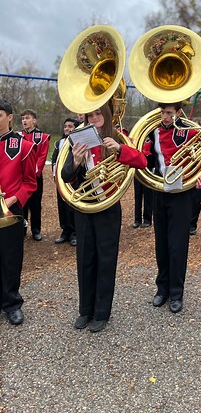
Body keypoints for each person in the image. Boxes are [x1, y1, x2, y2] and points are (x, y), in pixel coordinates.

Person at [61, 103, 147, 333]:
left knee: (106, 260)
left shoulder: (118, 136)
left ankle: (102, 313)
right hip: (85, 207)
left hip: (108, 208)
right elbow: (65, 175)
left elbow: (141, 161)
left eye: (99, 113)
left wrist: (119, 149)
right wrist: (77, 161)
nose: (95, 117)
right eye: (91, 114)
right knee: (85, 259)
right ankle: (85, 310)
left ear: (107, 115)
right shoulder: (77, 140)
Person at [143, 102, 201, 313]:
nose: (165, 117)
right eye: (162, 112)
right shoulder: (152, 130)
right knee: (161, 242)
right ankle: (162, 290)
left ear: (179, 113)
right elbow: (145, 157)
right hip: (160, 190)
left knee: (178, 245)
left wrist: (199, 175)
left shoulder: (191, 131)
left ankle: (176, 293)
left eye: (169, 113)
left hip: (182, 193)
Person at [0, 100, 37, 325]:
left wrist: (14, 199)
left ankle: (12, 303)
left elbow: (30, 182)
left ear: (10, 117)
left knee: (10, 258)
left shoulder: (22, 145)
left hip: (10, 208)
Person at [21, 109, 50, 241]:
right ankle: (22, 229)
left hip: (34, 176)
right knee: (21, 204)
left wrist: (33, 172)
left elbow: (42, 156)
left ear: (34, 120)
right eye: (22, 118)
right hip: (20, 177)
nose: (24, 121)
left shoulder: (42, 137)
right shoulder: (18, 136)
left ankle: (36, 230)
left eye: (27, 118)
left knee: (35, 204)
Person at [52, 118, 78, 246]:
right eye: (66, 126)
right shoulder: (58, 143)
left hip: (73, 180)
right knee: (61, 207)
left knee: (71, 207)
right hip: (60, 180)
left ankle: (74, 232)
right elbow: (54, 161)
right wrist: (55, 177)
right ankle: (65, 231)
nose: (67, 128)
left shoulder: (77, 143)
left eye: (70, 126)